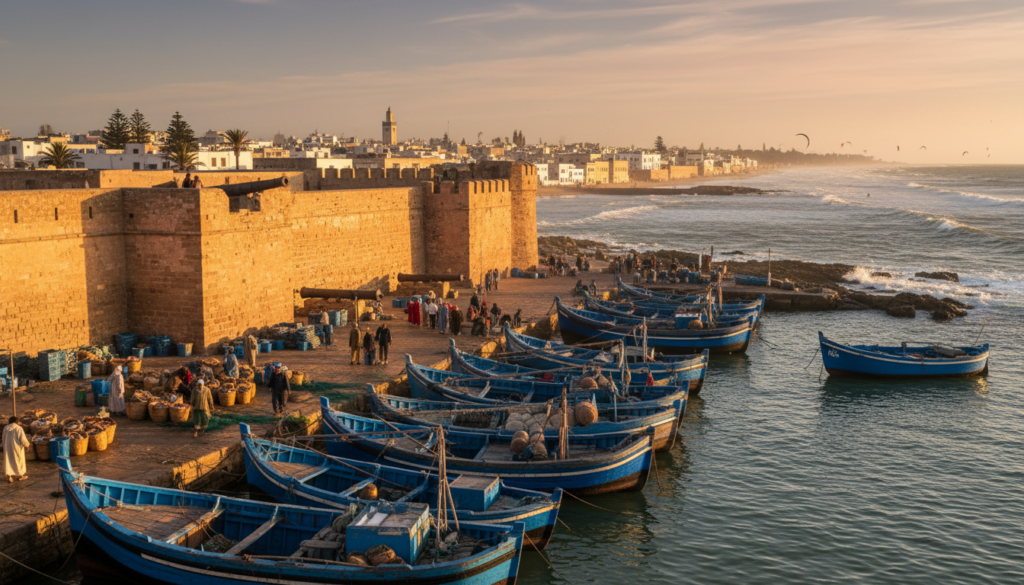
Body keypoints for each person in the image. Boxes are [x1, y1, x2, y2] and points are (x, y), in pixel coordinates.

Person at [3, 416, 30, 482]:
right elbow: (23, 439)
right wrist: (27, 445)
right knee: (18, 460)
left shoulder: (5, 428)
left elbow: (3, 438)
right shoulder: (19, 428)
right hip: (16, 447)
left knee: (8, 461)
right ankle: (20, 475)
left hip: (7, 447)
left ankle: (9, 476)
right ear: (17, 421)